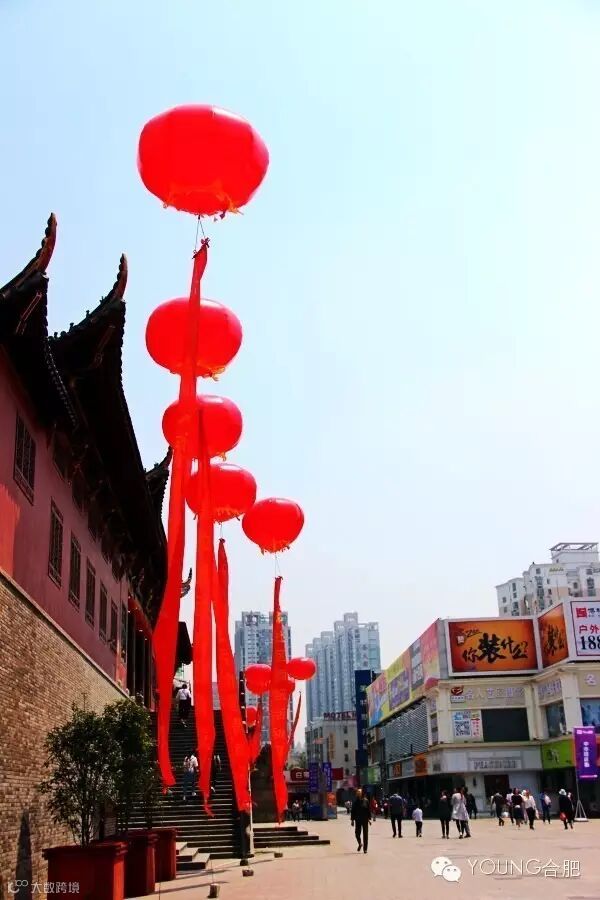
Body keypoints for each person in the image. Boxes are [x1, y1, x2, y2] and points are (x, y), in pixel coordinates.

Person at [351, 790, 372, 854]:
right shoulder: (355, 802)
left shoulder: (366, 801)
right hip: (358, 820)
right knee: (357, 834)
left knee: (365, 834)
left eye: (359, 793)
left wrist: (369, 819)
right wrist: (352, 820)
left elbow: (368, 810)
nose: (358, 794)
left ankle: (365, 849)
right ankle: (360, 843)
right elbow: (353, 811)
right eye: (357, 793)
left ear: (362, 794)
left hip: (365, 820)